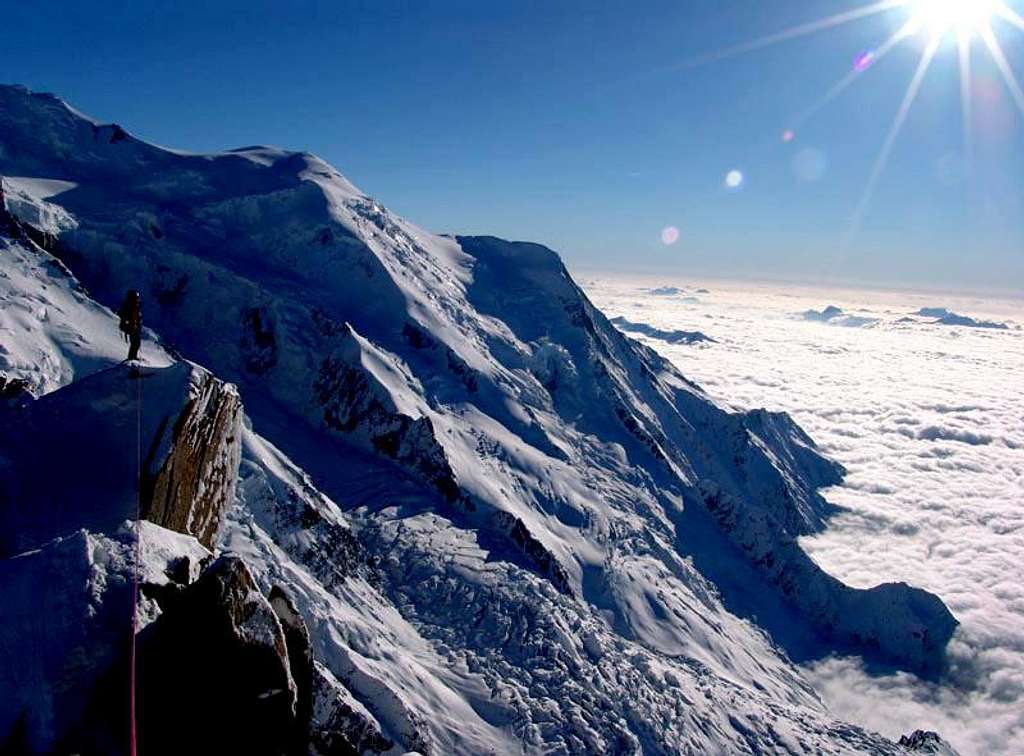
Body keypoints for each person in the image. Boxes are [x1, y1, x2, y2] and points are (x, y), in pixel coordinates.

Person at [118, 289, 143, 362]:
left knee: (135, 342)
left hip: (132, 327)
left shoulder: (131, 306)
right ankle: (132, 358)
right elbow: (132, 318)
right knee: (135, 343)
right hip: (132, 327)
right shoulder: (131, 306)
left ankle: (132, 357)